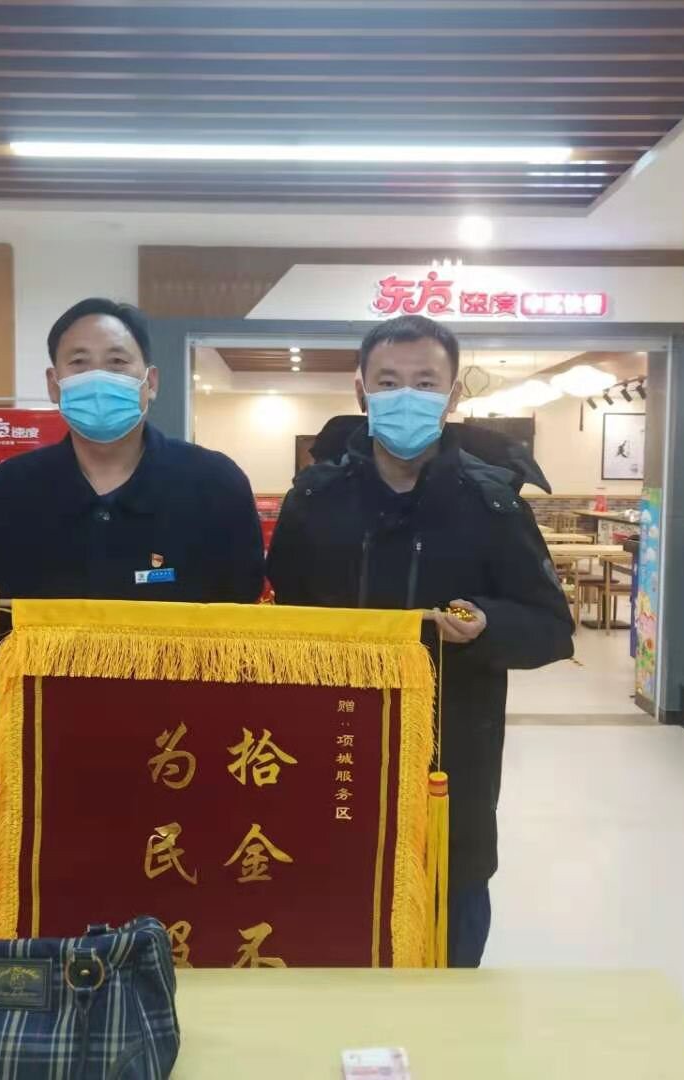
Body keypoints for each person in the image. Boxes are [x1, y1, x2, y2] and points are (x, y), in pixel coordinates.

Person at [265, 315, 575, 967]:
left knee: (449, 941)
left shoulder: (494, 505)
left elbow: (550, 628)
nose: (406, 396)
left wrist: (487, 624)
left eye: (425, 382)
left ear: (452, 396)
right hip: (332, 757)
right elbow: (281, 623)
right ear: (361, 392)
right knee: (330, 950)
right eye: (388, 381)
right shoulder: (314, 502)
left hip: (451, 763)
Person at [0, 298, 265, 662]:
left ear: (150, 382)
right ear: (54, 384)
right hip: (46, 695)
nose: (98, 379)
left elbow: (245, 616)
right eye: (79, 363)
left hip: (181, 696)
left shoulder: (216, 484)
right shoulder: (8, 489)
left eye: (117, 362)